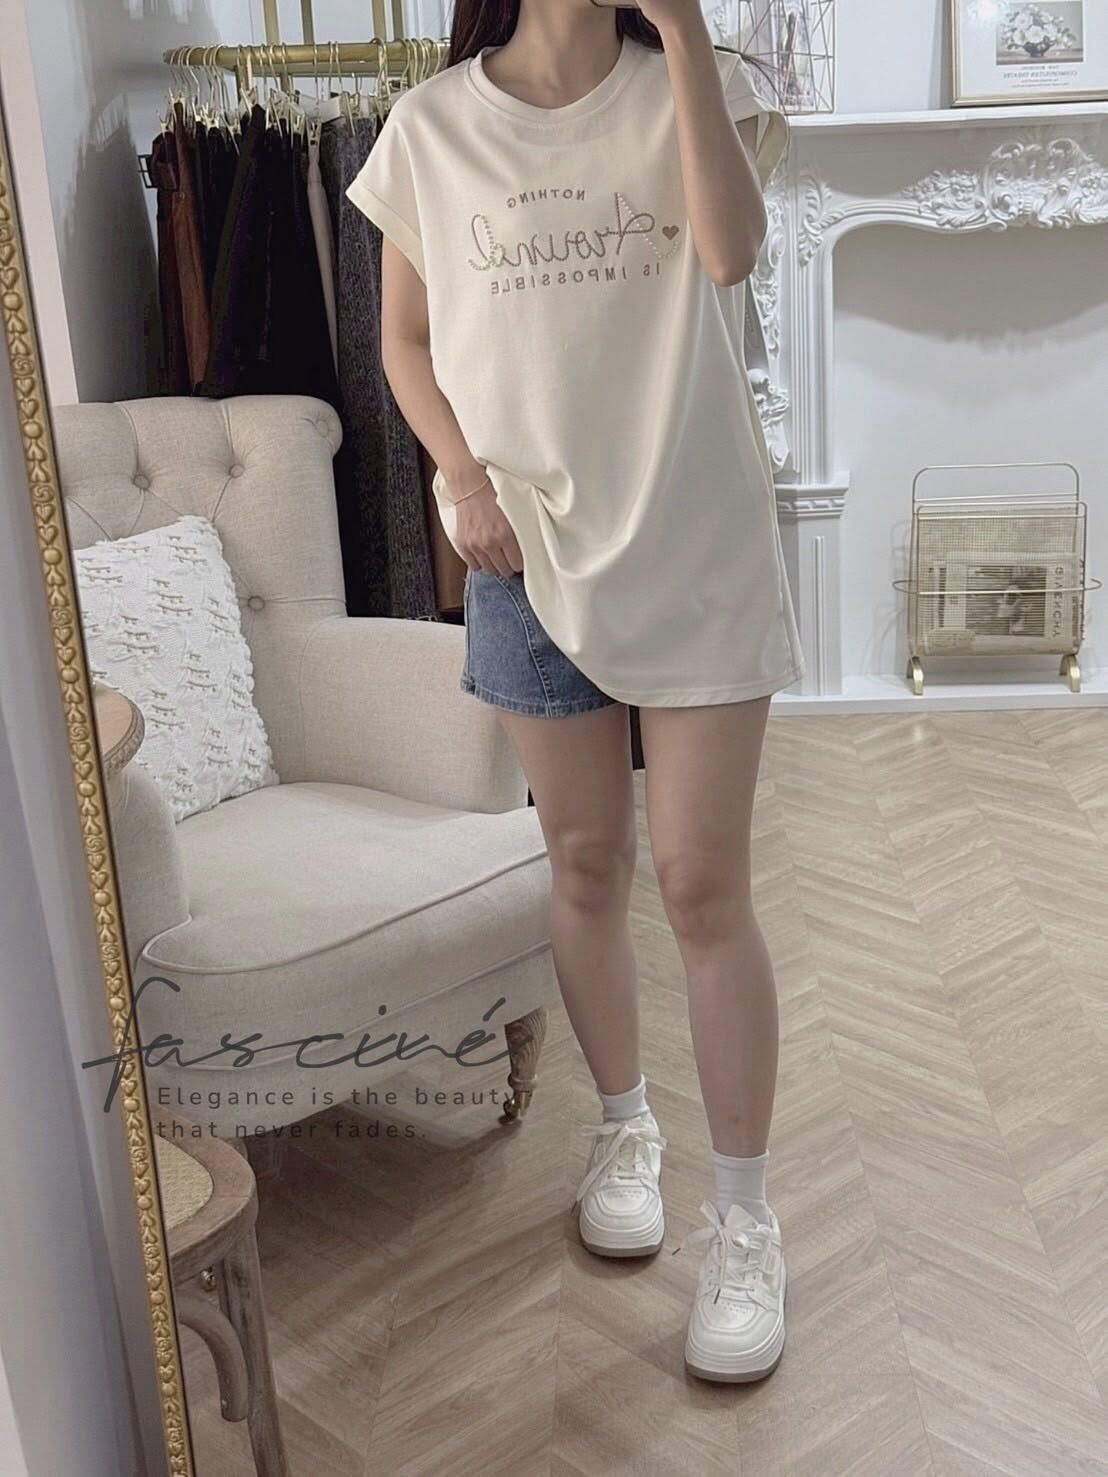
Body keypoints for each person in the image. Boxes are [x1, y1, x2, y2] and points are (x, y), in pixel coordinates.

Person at [346, 0, 805, 1384]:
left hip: (699, 540)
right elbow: (405, 343)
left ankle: (745, 1219)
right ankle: (624, 1127)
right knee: (587, 862)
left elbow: (729, 253)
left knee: (704, 883)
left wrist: (687, 36)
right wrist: (460, 480)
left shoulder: (691, 86)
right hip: (523, 552)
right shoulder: (431, 127)